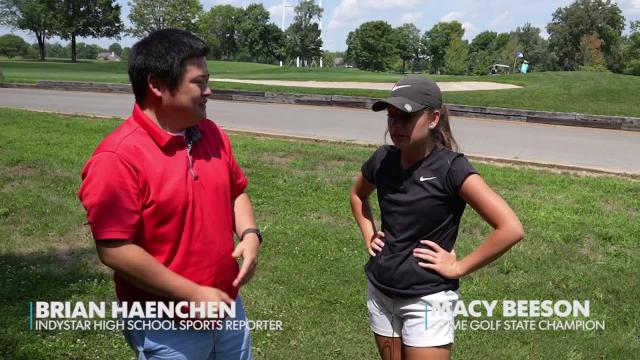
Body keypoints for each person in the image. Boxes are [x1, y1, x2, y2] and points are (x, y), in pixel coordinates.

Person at [78, 29, 260, 360]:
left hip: (226, 305)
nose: (209, 91)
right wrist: (193, 295)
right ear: (157, 85)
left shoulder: (210, 133)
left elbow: (237, 192)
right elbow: (114, 250)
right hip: (167, 325)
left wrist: (249, 234)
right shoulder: (117, 158)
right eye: (199, 82)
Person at [349, 75, 524, 360]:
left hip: (427, 300)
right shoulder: (383, 159)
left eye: (405, 116)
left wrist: (459, 267)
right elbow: (357, 195)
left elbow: (511, 228)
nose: (396, 125)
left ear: (433, 118)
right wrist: (368, 234)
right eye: (391, 117)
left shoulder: (451, 169)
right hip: (381, 293)